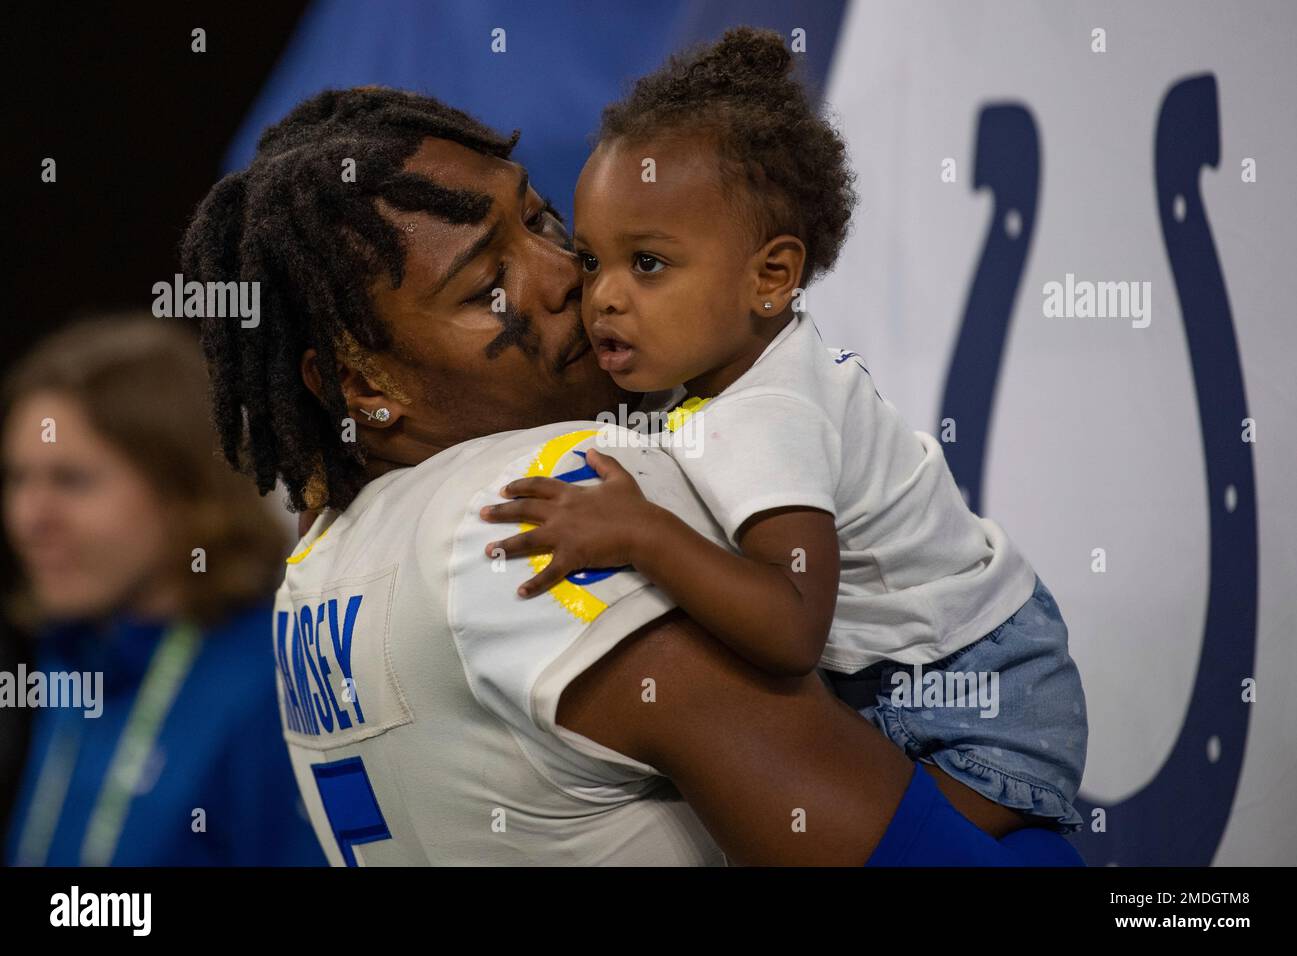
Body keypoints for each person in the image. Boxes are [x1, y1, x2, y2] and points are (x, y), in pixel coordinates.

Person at [181, 84, 1083, 865]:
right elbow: (896, 857)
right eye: (486, 287)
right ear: (361, 386)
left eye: (536, 218)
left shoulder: (321, 556)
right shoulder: (541, 498)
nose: (569, 274)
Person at [481, 28, 1088, 836]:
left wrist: (641, 532)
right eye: (592, 262)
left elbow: (792, 624)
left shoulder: (765, 416)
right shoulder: (730, 372)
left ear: (771, 278)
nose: (604, 298)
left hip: (973, 705)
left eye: (649, 264)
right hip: (955, 669)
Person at [1, 317, 326, 866]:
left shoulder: (276, 686)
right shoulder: (71, 662)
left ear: (184, 492)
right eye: (16, 478)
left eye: (71, 480)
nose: (30, 517)